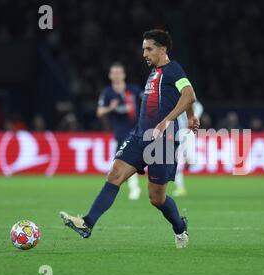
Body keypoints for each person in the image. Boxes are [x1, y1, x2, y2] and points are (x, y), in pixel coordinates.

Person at [60, 29, 199, 249]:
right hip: (139, 136)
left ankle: (180, 227)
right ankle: (87, 223)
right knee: (115, 175)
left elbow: (189, 94)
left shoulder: (173, 70)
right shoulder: (154, 73)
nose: (144, 53)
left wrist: (167, 121)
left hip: (162, 141)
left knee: (157, 198)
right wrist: (191, 116)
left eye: (149, 48)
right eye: (143, 48)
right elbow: (186, 98)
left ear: (162, 49)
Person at [96, 62, 142, 200]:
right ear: (110, 76)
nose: (116, 76)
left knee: (125, 160)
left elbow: (148, 101)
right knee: (123, 161)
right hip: (120, 131)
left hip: (137, 130)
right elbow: (99, 112)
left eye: (119, 73)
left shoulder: (133, 90)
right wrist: (111, 107)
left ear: (124, 75)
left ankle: (134, 188)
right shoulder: (108, 93)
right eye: (114, 73)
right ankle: (132, 186)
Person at [172, 100, 204, 197]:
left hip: (188, 134)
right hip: (179, 134)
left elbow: (197, 110)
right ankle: (180, 188)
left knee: (187, 161)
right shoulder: (177, 101)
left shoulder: (193, 103)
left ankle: (180, 187)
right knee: (177, 163)